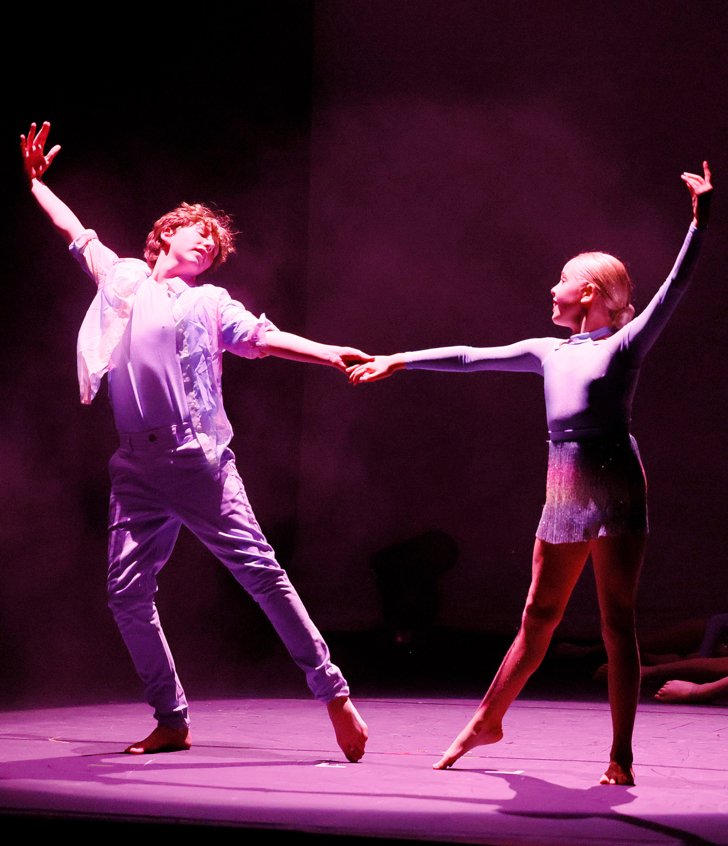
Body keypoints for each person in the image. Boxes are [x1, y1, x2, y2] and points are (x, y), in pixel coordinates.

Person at [349, 162, 713, 784]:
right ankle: (487, 720)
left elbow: (674, 290)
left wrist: (702, 220)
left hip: (614, 475)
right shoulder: (548, 352)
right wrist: (398, 360)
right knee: (537, 617)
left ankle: (620, 756)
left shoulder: (622, 346)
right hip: (566, 478)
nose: (553, 288)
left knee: (615, 620)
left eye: (563, 281)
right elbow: (470, 357)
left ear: (592, 293)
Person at [20, 121, 370, 761]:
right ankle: (171, 717)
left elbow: (264, 338)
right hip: (135, 466)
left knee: (261, 576)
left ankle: (333, 693)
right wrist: (37, 183)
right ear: (164, 236)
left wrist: (330, 355)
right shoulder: (122, 281)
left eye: (216, 243)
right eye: (199, 233)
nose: (209, 244)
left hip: (196, 461)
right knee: (126, 596)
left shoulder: (210, 302)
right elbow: (77, 232)